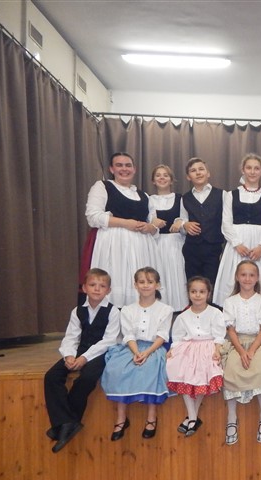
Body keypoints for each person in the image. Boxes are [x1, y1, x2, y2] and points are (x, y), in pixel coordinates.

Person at [44, 268, 120, 453]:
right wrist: (69, 355)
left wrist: (85, 358)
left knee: (86, 378)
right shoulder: (77, 311)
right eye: (92, 285)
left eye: (102, 286)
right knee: (51, 377)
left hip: (102, 352)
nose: (97, 289)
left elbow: (109, 340)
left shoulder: (113, 312)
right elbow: (71, 337)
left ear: (108, 290)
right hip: (80, 349)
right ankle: (67, 422)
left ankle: (66, 423)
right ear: (84, 288)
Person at [101, 267, 173, 440]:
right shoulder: (127, 310)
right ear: (135, 285)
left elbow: (162, 335)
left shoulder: (165, 309)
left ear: (157, 285)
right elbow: (128, 335)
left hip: (154, 347)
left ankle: (151, 416)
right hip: (132, 347)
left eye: (150, 282)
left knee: (151, 368)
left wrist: (146, 353)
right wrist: (136, 352)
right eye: (141, 282)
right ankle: (121, 417)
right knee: (118, 368)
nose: (145, 285)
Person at [86, 152, 158, 307]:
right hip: (113, 246)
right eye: (119, 165)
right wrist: (125, 223)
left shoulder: (144, 195)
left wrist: (150, 227)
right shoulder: (103, 187)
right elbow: (93, 216)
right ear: (111, 169)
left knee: (140, 284)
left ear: (134, 169)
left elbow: (154, 224)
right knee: (116, 280)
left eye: (128, 165)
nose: (124, 169)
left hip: (141, 248)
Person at [221, 261, 261, 445]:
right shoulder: (230, 302)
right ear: (237, 277)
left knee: (260, 367)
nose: (247, 279)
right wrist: (241, 351)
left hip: (259, 342)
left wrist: (251, 350)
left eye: (251, 275)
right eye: (243, 275)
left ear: (257, 278)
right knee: (231, 368)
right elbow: (230, 330)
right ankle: (231, 416)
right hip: (237, 342)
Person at [166, 276, 225, 437]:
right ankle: (193, 417)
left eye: (202, 292)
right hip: (188, 347)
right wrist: (173, 349)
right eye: (193, 291)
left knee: (202, 376)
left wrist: (217, 350)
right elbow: (177, 337)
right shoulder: (183, 316)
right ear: (188, 293)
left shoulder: (215, 313)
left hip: (208, 347)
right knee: (182, 371)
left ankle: (192, 417)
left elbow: (219, 335)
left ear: (208, 294)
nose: (197, 295)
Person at [213, 154, 261, 307]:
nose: (252, 171)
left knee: (258, 278)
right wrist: (237, 243)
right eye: (249, 168)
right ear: (243, 170)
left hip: (257, 246)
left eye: (256, 168)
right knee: (233, 278)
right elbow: (226, 222)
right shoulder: (231, 195)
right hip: (237, 246)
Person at [148, 164, 188, 310]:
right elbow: (146, 221)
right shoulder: (149, 199)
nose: (162, 178)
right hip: (155, 243)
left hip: (175, 244)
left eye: (165, 175)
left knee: (176, 275)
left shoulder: (180, 198)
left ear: (171, 180)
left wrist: (180, 223)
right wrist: (152, 222)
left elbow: (186, 219)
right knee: (159, 274)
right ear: (153, 180)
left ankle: (179, 308)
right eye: (158, 175)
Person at [180, 157, 225, 283]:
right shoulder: (185, 198)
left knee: (212, 284)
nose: (198, 173)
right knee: (192, 284)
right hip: (191, 250)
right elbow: (182, 221)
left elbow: (227, 221)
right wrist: (185, 225)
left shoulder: (222, 195)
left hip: (214, 249)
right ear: (188, 177)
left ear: (208, 173)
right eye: (193, 171)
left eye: (201, 169)